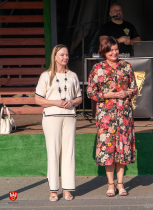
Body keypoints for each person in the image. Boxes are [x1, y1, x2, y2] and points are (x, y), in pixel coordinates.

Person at [87, 36, 138, 197]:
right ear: (104, 51)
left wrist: (127, 92)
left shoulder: (126, 66)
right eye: (111, 50)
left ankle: (121, 184)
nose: (115, 52)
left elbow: (134, 88)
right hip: (106, 116)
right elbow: (90, 91)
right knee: (108, 150)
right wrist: (106, 94)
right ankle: (110, 184)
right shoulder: (97, 68)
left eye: (116, 49)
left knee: (122, 149)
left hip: (124, 113)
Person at [35, 44, 82, 202]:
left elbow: (79, 98)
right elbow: (37, 99)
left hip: (69, 116)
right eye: (61, 55)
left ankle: (67, 189)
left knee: (68, 153)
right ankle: (53, 190)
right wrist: (55, 102)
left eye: (67, 55)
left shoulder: (73, 75)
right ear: (54, 57)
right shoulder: (45, 76)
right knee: (53, 152)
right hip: (51, 117)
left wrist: (73, 102)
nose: (65, 57)